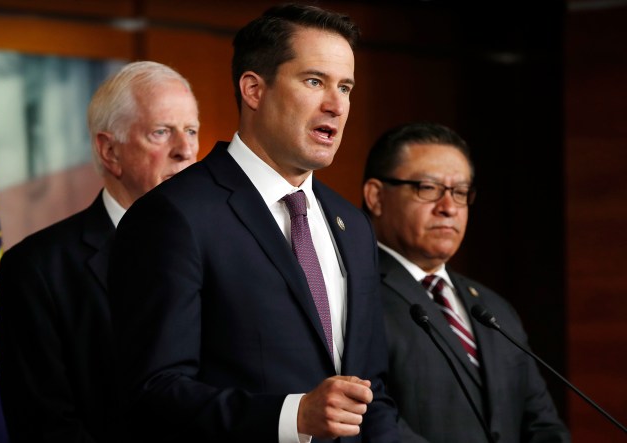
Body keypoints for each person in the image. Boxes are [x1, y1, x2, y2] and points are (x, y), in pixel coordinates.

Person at [108, 4, 399, 443]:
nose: (337, 105)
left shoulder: (353, 226)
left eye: (345, 87)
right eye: (314, 81)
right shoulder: (174, 215)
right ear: (253, 90)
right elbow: (154, 392)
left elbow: (371, 393)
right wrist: (291, 417)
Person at [0, 60, 200, 443]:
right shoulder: (36, 269)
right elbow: (45, 426)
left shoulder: (221, 247)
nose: (186, 150)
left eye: (191, 131)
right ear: (109, 151)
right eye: (161, 132)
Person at [361, 121, 569, 443]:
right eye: (427, 188)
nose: (448, 208)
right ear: (376, 197)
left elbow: (542, 425)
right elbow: (368, 421)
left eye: (460, 192)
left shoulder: (493, 307)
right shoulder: (353, 294)